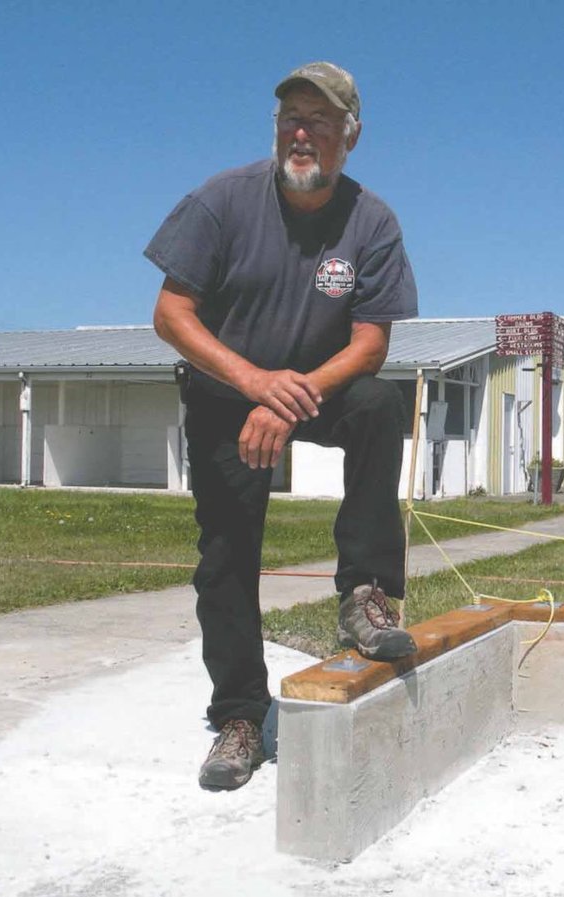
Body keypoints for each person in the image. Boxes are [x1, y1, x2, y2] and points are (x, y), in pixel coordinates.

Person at [146, 62, 419, 791]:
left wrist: (285, 398)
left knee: (378, 403)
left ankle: (365, 594)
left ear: (349, 138)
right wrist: (254, 384)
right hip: (225, 394)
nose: (302, 132)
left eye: (319, 121)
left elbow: (370, 345)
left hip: (312, 389)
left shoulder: (372, 221)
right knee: (226, 556)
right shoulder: (222, 201)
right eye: (290, 118)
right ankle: (239, 714)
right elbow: (171, 314)